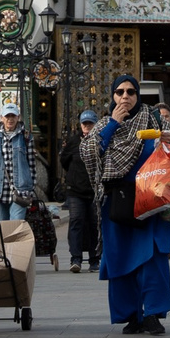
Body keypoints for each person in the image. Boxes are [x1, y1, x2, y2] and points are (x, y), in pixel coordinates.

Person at [90, 75, 170, 333]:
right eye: (119, 92)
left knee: (152, 258)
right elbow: (89, 151)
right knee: (120, 257)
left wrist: (168, 144)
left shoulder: (154, 120)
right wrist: (113, 124)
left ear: (138, 96)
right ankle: (130, 315)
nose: (125, 96)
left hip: (151, 199)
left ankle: (152, 313)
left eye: (131, 92)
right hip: (117, 202)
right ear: (112, 96)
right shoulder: (104, 124)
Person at [61, 109, 104, 272]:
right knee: (76, 221)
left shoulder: (101, 141)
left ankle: (94, 259)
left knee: (95, 224)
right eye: (84, 124)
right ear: (80, 125)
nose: (87, 126)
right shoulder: (74, 142)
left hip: (94, 190)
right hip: (76, 191)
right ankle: (76, 258)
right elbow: (64, 160)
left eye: (90, 124)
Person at [0, 105, 37, 221]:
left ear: (18, 117)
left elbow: (32, 165)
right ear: (1, 118)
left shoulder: (26, 137)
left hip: (21, 190)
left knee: (16, 226)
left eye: (13, 116)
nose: (10, 119)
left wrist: (31, 189)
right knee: (1, 227)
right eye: (7, 116)